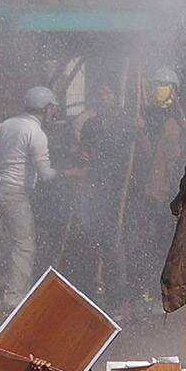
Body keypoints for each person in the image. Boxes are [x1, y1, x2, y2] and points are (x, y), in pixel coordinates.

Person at [0, 86, 61, 308]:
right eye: (53, 109)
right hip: (16, 193)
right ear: (46, 108)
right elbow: (45, 172)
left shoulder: (9, 124)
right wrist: (68, 173)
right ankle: (15, 298)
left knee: (12, 241)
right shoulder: (36, 133)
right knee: (25, 246)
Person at [133, 68, 186, 301]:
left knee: (167, 240)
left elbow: (184, 148)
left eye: (163, 85)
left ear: (173, 90)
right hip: (146, 189)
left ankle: (168, 289)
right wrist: (139, 130)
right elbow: (143, 156)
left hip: (170, 191)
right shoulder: (144, 115)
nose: (159, 89)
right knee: (145, 239)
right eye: (156, 84)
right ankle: (146, 289)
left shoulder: (179, 121)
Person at [78, 83, 135, 305]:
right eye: (101, 93)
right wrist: (83, 156)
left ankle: (119, 293)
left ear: (115, 96)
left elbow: (133, 154)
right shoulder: (91, 124)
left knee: (117, 240)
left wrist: (137, 129)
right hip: (96, 185)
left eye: (108, 93)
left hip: (122, 187)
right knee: (96, 235)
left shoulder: (126, 123)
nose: (104, 97)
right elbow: (85, 149)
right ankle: (96, 284)